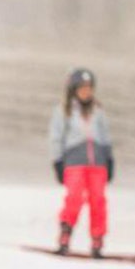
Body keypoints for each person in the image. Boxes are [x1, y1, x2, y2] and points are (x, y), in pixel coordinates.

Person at [49, 68, 113, 258]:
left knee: (98, 200)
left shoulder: (98, 110)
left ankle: (97, 240)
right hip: (74, 162)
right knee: (74, 198)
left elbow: (105, 135)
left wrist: (109, 159)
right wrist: (57, 161)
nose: (86, 91)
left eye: (89, 88)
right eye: (82, 88)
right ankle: (65, 235)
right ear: (73, 89)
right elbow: (56, 137)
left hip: (97, 163)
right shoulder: (64, 111)